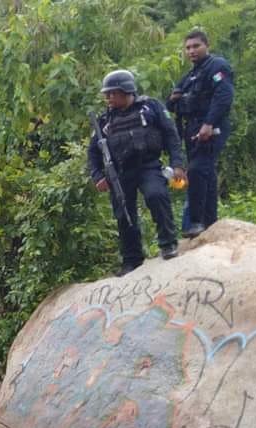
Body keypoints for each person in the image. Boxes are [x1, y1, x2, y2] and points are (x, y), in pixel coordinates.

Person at [89, 69, 185, 276]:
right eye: (107, 94)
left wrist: (177, 164)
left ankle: (168, 243)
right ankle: (131, 260)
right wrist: (98, 176)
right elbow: (93, 152)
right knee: (124, 213)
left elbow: (171, 135)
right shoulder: (105, 120)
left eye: (113, 93)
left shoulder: (151, 108)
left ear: (127, 91)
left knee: (156, 195)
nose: (108, 98)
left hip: (148, 165)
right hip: (120, 172)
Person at [168, 30, 234, 238]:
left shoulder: (217, 66)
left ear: (207, 45)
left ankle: (195, 222)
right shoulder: (190, 76)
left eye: (196, 46)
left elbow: (223, 96)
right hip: (191, 128)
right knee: (206, 173)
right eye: (188, 48)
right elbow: (171, 102)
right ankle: (209, 222)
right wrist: (174, 99)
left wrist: (209, 123)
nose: (191, 51)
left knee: (197, 170)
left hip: (211, 127)